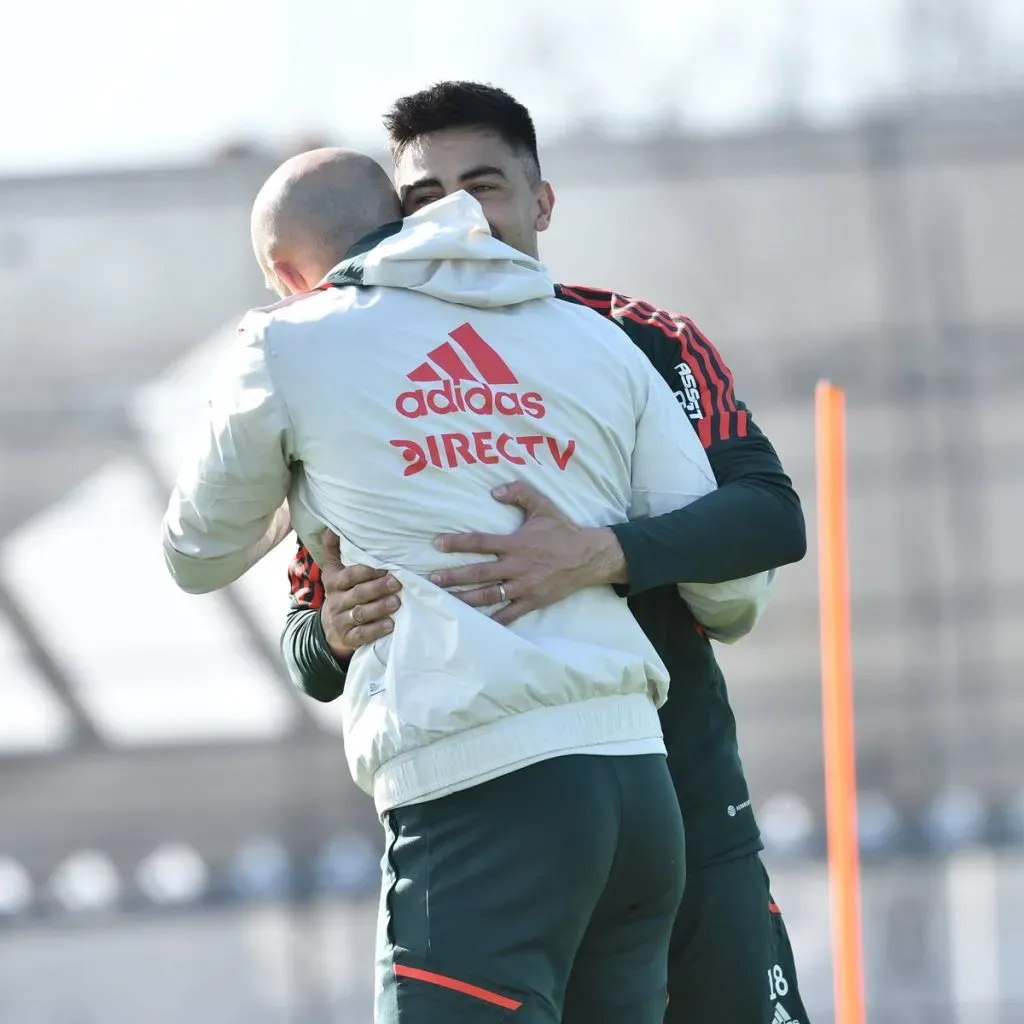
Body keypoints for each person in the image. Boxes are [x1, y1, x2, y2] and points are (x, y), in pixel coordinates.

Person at [162, 147, 768, 1023]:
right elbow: (733, 590)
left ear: (285, 273)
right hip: (640, 789)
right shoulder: (595, 335)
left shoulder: (290, 341)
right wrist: (600, 553)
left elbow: (196, 553)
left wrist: (297, 460)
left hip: (477, 788)